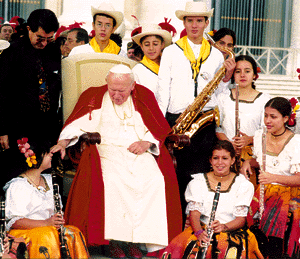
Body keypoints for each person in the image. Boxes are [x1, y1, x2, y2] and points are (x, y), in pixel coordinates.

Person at [51, 64, 182, 258]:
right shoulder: (93, 96)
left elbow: (157, 129)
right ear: (107, 83)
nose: (116, 95)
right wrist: (62, 143)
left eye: (121, 91)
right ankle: (115, 242)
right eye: (112, 90)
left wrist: (147, 143)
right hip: (105, 150)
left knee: (154, 180)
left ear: (132, 86)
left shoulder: (144, 96)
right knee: (112, 181)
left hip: (138, 150)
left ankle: (138, 242)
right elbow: (75, 126)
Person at [156, 1, 236, 222]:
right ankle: (175, 223)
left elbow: (219, 91)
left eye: (199, 20)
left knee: (200, 174)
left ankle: (195, 224)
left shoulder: (217, 54)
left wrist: (227, 78)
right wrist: (163, 124)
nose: (194, 25)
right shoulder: (171, 51)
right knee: (177, 174)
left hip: (204, 121)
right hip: (177, 119)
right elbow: (163, 88)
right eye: (190, 20)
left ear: (206, 23)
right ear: (184, 22)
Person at [162, 140, 263, 259]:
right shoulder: (197, 182)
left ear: (232, 160)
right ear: (210, 160)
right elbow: (194, 214)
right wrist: (199, 233)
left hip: (232, 231)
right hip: (202, 230)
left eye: (225, 158)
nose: (220, 162)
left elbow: (241, 219)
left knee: (227, 251)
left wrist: (223, 227)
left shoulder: (243, 184)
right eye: (216, 158)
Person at [0, 9, 62, 191]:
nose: (43, 43)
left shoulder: (53, 51)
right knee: (16, 173)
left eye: (48, 38)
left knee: (42, 174)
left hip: (45, 126)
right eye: (40, 37)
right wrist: (2, 129)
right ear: (29, 29)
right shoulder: (13, 52)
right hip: (18, 125)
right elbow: (2, 92)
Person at [4, 139, 89, 258]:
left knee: (74, 232)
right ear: (35, 158)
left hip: (48, 229)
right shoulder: (19, 185)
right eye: (47, 153)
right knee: (48, 235)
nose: (51, 155)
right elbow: (15, 222)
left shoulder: (49, 180)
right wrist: (46, 223)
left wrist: (56, 220)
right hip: (25, 232)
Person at [241, 97, 300, 258]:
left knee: (274, 240)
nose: (267, 120)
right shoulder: (260, 136)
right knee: (248, 228)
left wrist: (272, 177)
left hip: (288, 196)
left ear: (286, 119)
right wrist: (249, 162)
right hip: (263, 192)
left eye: (273, 117)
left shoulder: (296, 142)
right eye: (266, 115)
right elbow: (264, 163)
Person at [216, 55, 270, 181]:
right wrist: (229, 143)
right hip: (225, 155)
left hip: (252, 157)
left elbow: (268, 131)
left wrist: (249, 139)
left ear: (254, 75)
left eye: (247, 71)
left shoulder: (265, 100)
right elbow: (217, 127)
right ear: (233, 75)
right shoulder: (223, 97)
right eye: (238, 71)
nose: (242, 75)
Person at [132, 24, 172, 93]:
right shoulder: (137, 71)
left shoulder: (170, 66)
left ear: (162, 45)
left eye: (155, 44)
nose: (151, 48)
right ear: (141, 46)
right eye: (147, 44)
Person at [211, 27, 236, 96]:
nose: (225, 48)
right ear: (213, 43)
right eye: (222, 43)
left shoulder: (233, 66)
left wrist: (227, 78)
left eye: (229, 45)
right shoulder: (205, 62)